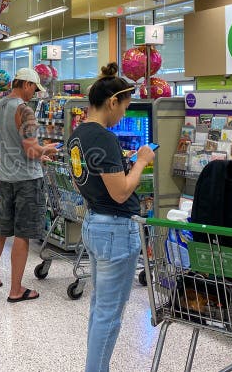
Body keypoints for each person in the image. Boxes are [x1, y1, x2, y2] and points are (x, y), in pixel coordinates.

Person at [66, 63, 155, 372]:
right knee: (110, 313)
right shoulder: (103, 137)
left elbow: (86, 177)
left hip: (94, 222)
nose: (123, 116)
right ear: (113, 101)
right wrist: (141, 161)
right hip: (116, 229)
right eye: (124, 107)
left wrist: (122, 162)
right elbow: (120, 192)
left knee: (99, 307)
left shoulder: (77, 133)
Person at [0, 68, 58, 302]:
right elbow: (31, 150)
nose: (34, 93)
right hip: (26, 181)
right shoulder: (24, 109)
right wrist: (48, 149)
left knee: (1, 230)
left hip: (5, 177)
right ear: (26, 85)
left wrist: (36, 153)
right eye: (34, 88)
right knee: (22, 234)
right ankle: (16, 289)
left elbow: (9, 142)